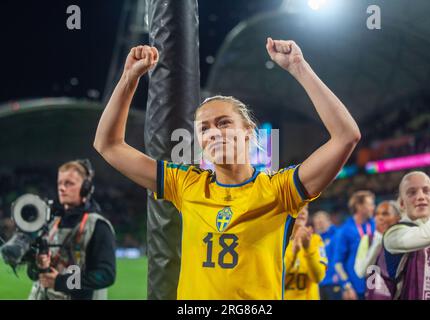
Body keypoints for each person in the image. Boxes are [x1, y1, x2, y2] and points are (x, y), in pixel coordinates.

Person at [93, 38, 360, 299]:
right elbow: (108, 144)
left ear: (248, 132)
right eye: (204, 128)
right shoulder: (186, 184)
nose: (213, 133)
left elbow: (346, 136)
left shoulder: (280, 190)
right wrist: (129, 78)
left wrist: (299, 67)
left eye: (224, 123)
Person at [28, 160, 116, 300]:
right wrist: (37, 264)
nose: (62, 188)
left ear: (85, 188)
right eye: (60, 183)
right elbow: (34, 275)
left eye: (69, 183)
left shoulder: (98, 226)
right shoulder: (51, 223)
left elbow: (106, 275)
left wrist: (61, 282)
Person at [374, 172, 430, 300]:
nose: (420, 196)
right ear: (402, 204)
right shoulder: (393, 235)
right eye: (412, 192)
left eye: (426, 191)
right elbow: (429, 235)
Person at [333, 190, 376, 300]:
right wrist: (347, 286)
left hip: (376, 285)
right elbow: (338, 263)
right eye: (370, 204)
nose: (373, 207)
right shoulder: (345, 230)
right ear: (359, 206)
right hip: (356, 288)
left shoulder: (374, 225)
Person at [284, 205, 327, 300]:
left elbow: (318, 277)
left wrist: (307, 249)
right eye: (299, 206)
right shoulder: (278, 242)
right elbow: (277, 276)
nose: (303, 212)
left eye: (306, 209)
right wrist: (294, 252)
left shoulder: (315, 240)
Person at [354, 200, 401, 279]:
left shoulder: (405, 238)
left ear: (398, 218)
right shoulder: (367, 239)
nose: (380, 217)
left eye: (385, 214)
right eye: (376, 214)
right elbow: (361, 272)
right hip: (378, 290)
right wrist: (378, 240)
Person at [312, 210, 341, 300]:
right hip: (319, 283)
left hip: (334, 281)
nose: (320, 224)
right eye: (317, 222)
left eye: (322, 221)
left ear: (329, 221)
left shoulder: (337, 235)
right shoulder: (314, 240)